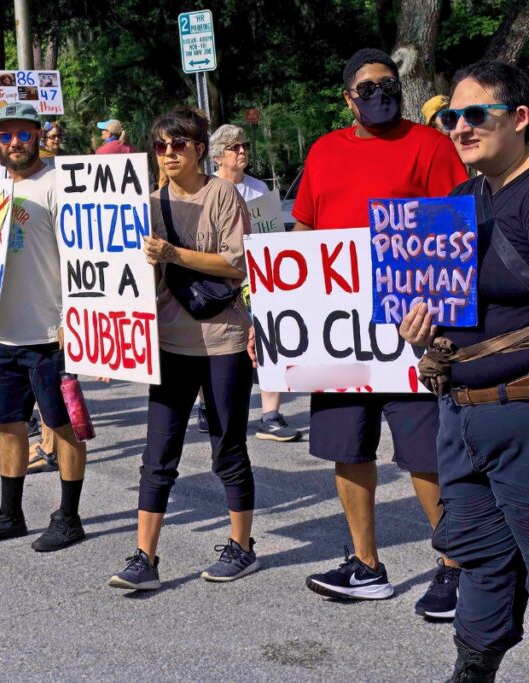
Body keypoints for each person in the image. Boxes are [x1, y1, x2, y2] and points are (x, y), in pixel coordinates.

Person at [283, 48, 467, 613]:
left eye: (388, 84)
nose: (379, 93)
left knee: (426, 453)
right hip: (337, 333)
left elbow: (456, 226)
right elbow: (306, 231)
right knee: (348, 449)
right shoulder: (325, 150)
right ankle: (366, 565)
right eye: (367, 87)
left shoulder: (431, 146)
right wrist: (273, 312)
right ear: (348, 98)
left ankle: (455, 565)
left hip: (410, 330)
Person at [400, 60, 529, 682]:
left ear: (520, 118)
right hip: (461, 415)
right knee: (480, 559)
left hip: (525, 415)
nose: (460, 127)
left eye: (477, 114)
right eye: (452, 117)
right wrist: (418, 334)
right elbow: (431, 306)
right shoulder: (452, 204)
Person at [108, 107, 258, 590]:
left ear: (199, 148)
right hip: (169, 341)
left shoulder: (223, 195)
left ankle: (242, 546)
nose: (169, 153)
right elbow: (124, 278)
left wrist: (173, 253)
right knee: (158, 453)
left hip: (222, 341)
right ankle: (143, 557)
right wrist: (109, 334)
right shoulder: (146, 202)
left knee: (227, 447)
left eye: (179, 144)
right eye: (160, 146)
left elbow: (237, 266)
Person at [0, 102, 87, 552]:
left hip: (51, 334)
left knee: (63, 426)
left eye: (23, 134)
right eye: (6, 136)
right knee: (8, 425)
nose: (15, 143)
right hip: (1, 332)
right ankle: (10, 515)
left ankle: (69, 518)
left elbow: (83, 257)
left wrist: (75, 318)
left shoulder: (59, 184)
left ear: (38, 135)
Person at [210, 123, 301, 443]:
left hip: (259, 279)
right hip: (219, 281)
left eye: (244, 145)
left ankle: (270, 415)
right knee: (219, 347)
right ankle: (209, 406)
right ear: (218, 156)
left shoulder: (258, 188)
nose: (242, 152)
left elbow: (273, 233)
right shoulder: (208, 189)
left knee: (268, 341)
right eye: (235, 148)